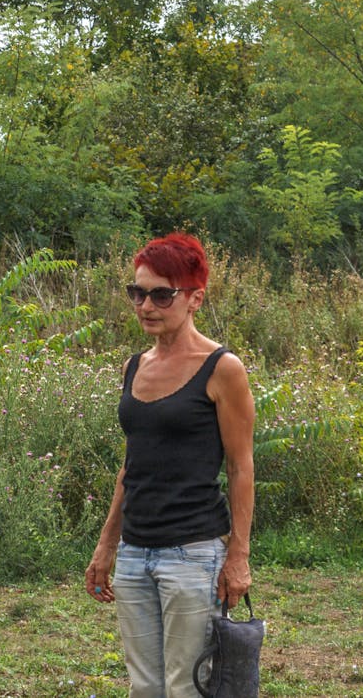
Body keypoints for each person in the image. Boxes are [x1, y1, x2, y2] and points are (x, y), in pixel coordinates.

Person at [86, 233, 255, 698]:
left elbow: (242, 468)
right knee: (145, 687)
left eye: (162, 294)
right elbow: (132, 464)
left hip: (193, 554)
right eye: (137, 292)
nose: (145, 305)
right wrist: (108, 546)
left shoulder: (222, 368)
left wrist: (237, 557)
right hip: (136, 554)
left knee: (188, 687)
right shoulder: (134, 366)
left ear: (195, 298)